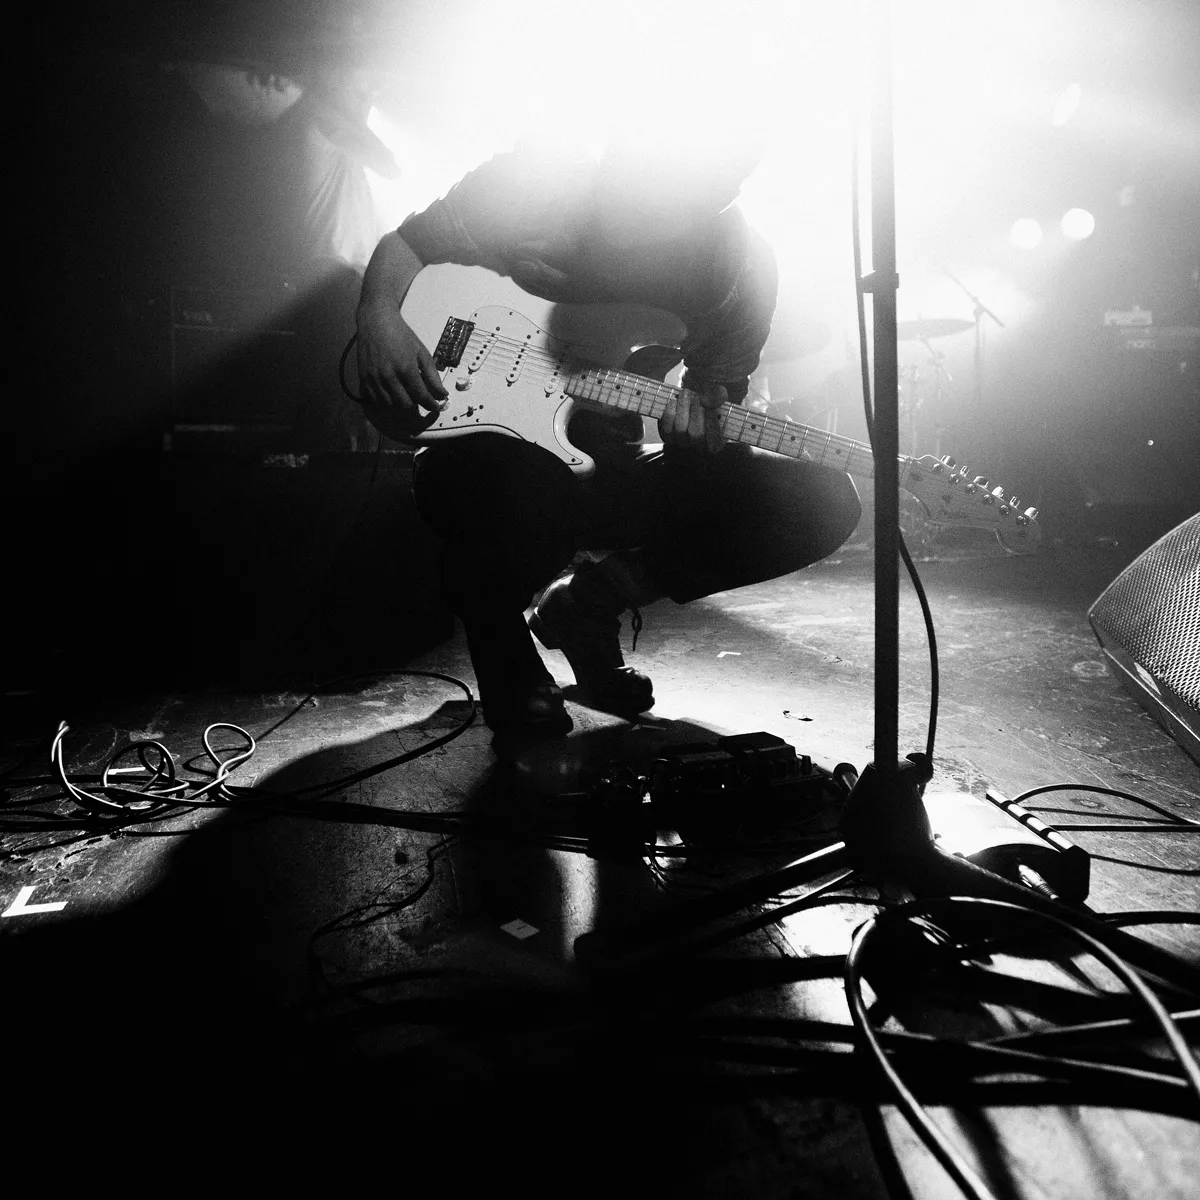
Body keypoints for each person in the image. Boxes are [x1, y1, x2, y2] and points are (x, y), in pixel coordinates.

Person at [353, 138, 861, 744]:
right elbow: (407, 243)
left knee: (822, 499)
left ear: (722, 194)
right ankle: (503, 649)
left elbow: (709, 416)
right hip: (480, 455)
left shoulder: (738, 269)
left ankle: (589, 604)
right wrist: (379, 318)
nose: (640, 204)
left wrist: (693, 437)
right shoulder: (542, 172)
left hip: (602, 462)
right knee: (521, 488)